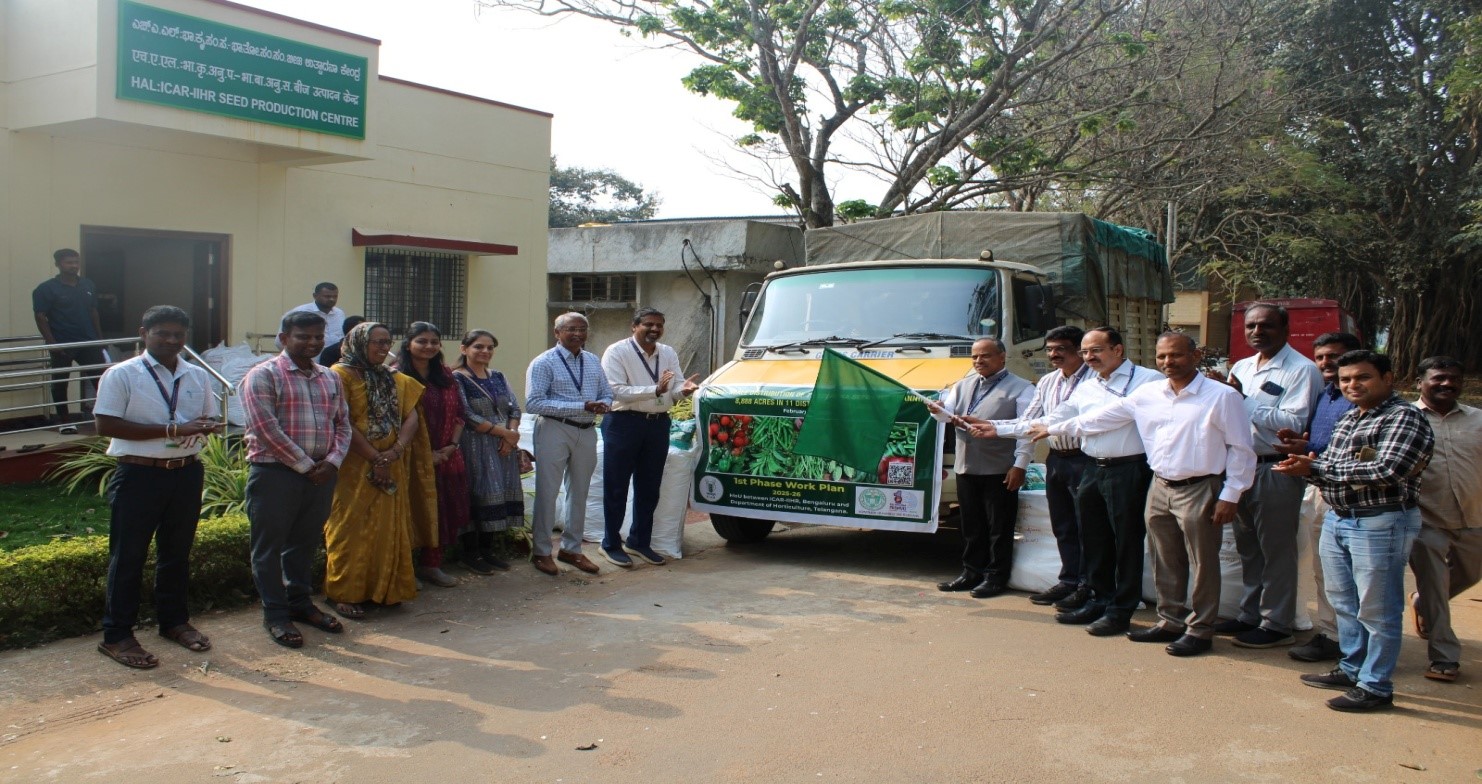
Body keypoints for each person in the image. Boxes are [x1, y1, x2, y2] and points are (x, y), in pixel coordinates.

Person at [1035, 333, 1255, 656]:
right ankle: (1170, 620)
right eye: (1162, 356)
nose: (1168, 362)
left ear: (1195, 356)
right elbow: (1101, 417)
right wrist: (1053, 428)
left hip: (1201, 487)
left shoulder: (1221, 397)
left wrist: (1231, 494)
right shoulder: (1149, 393)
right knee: (1165, 559)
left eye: (1176, 356)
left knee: (1203, 562)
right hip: (1161, 485)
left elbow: (1242, 449)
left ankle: (1201, 629)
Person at [1276, 350, 1432, 712]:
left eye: (1362, 378)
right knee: (1344, 602)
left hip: (1381, 520)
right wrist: (1308, 465)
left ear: (1388, 379)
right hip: (1340, 517)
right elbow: (1332, 460)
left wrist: (1317, 472)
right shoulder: (1350, 418)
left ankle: (1376, 686)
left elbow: (1388, 471)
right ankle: (1352, 668)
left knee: (1377, 608)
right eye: (1345, 380)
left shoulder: (1403, 417)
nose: (1352, 385)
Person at [981, 327, 1161, 636]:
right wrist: (995, 428)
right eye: (1087, 352)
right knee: (1094, 539)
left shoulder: (1146, 381)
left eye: (1096, 351)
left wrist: (1056, 427)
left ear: (1117, 350)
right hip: (1094, 467)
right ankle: (1099, 599)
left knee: (1126, 542)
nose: (1089, 357)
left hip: (1129, 469)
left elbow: (1112, 416)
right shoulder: (1089, 386)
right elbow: (1051, 417)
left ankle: (1121, 609)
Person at [92, 305, 222, 669]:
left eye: (178, 334)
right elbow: (106, 425)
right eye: (162, 333)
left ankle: (174, 622)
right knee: (129, 556)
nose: (171, 340)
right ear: (143, 333)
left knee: (176, 553)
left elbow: (206, 417)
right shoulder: (122, 374)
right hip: (139, 475)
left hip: (186, 473)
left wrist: (204, 427)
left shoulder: (196, 375)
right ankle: (117, 635)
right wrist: (172, 430)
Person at [1215, 303, 1323, 649]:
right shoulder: (1243, 366)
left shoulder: (1301, 370)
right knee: (1249, 548)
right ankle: (1250, 615)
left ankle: (1277, 623)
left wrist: (1240, 399)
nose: (1257, 332)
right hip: (1242, 465)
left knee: (1276, 549)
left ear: (1285, 329)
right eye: (1251, 327)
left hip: (1276, 465)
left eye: (1266, 326)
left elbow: (1293, 421)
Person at [241, 311, 352, 648]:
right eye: (303, 336)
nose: (313, 343)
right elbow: (265, 428)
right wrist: (307, 466)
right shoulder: (263, 375)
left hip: (321, 475)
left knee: (304, 544)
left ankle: (301, 604)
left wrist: (332, 462)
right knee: (268, 549)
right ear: (284, 337)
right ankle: (275, 614)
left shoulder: (329, 378)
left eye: (318, 337)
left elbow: (343, 424)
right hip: (276, 474)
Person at [323, 322, 437, 619]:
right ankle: (344, 592)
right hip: (353, 464)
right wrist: (376, 458)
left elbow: (411, 415)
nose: (383, 348)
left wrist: (394, 452)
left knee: (389, 525)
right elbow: (342, 421)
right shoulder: (339, 375)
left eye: (387, 342)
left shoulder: (392, 375)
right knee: (350, 526)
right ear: (359, 342)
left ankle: (387, 590)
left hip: (392, 459)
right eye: (376, 342)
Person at [1276, 332, 1362, 662]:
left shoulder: (1361, 401)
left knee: (1355, 576)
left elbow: (1361, 456)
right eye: (1321, 357)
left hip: (1357, 500)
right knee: (1326, 571)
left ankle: (1356, 643)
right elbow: (1325, 445)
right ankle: (1333, 635)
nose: (1327, 363)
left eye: (1335, 356)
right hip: (1323, 492)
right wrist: (1302, 446)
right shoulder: (1326, 396)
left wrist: (1313, 459)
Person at [996, 325, 1094, 606]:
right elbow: (1028, 420)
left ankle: (1088, 585)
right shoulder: (1048, 381)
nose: (1053, 355)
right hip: (1057, 460)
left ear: (1079, 350)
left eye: (1061, 349)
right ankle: (1069, 580)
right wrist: (995, 429)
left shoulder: (1094, 382)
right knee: (1062, 525)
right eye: (1050, 349)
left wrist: (993, 428)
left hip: (1085, 459)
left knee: (1086, 526)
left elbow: (1057, 420)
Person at [929, 338, 1034, 597]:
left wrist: (1019, 465)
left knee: (999, 527)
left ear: (1002, 357)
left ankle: (996, 577)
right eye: (974, 357)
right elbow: (948, 415)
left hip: (1000, 468)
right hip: (967, 467)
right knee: (971, 525)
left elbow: (1026, 431)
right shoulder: (962, 385)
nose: (979, 361)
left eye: (985, 356)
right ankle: (971, 572)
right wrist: (937, 410)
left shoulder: (1022, 388)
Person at [598, 308, 699, 568]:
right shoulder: (617, 352)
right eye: (648, 325)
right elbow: (615, 391)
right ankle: (610, 544)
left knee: (649, 488)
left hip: (657, 425)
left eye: (659, 325)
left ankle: (639, 541)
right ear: (634, 326)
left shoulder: (667, 353)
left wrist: (684, 391)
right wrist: (655, 389)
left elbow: (673, 391)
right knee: (617, 487)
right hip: (623, 423)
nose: (654, 329)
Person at [1409, 356, 1482, 683]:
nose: (1447, 384)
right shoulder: (1404, 419)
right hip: (1426, 518)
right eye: (1438, 378)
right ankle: (1444, 656)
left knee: (1470, 573)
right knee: (1436, 585)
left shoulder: (1478, 420)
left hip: (1474, 515)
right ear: (1420, 382)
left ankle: (1421, 602)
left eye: (1453, 379)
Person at [525, 312, 613, 577]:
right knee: (548, 491)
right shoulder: (543, 362)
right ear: (557, 333)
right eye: (571, 329)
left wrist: (604, 403)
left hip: (586, 430)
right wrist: (581, 405)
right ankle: (541, 551)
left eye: (582, 329)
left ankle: (571, 549)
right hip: (554, 428)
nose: (578, 334)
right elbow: (533, 403)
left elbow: (606, 391)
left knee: (580, 492)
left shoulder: (592, 360)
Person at [396, 322, 470, 588]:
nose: (428, 346)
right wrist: (424, 454)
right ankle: (405, 568)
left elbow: (460, 413)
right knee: (409, 511)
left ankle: (431, 565)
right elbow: (395, 420)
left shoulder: (446, 376)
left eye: (433, 342)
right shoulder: (396, 376)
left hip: (447, 455)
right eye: (421, 341)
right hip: (410, 458)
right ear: (408, 344)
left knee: (440, 511)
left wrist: (451, 446)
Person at [453, 330, 528, 572]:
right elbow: (466, 414)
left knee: (499, 494)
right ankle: (470, 554)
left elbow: (514, 409)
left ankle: (488, 550)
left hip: (502, 447)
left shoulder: (498, 376)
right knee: (478, 493)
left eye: (489, 348)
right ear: (465, 349)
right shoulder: (458, 378)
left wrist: (511, 435)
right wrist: (504, 433)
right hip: (475, 445)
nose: (485, 352)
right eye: (478, 347)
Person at [33, 248, 105, 427]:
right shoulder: (46, 289)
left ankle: (106, 419)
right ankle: (64, 422)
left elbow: (93, 311)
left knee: (102, 381)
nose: (74, 266)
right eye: (69, 262)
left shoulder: (88, 285)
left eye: (76, 262)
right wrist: (52, 344)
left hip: (88, 341)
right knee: (60, 383)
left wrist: (100, 338)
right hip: (62, 343)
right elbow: (41, 316)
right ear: (58, 264)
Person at [282, 282, 347, 349]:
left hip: (334, 358)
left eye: (335, 296)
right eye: (327, 296)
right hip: (307, 358)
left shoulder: (339, 313)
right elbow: (280, 342)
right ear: (315, 296)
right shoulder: (300, 312)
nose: (332, 299)